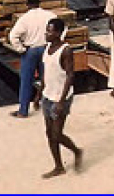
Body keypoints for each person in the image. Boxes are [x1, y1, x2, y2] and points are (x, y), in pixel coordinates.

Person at [38, 18, 83, 178]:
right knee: (49, 133)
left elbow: (70, 75)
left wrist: (61, 101)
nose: (46, 33)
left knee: (57, 134)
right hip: (47, 96)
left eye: (49, 31)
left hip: (60, 97)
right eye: (46, 30)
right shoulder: (47, 48)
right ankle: (58, 166)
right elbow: (45, 74)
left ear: (58, 33)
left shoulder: (66, 50)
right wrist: (38, 95)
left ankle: (77, 151)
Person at [6, 0, 57, 118]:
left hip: (31, 51)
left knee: (26, 81)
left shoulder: (24, 19)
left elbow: (13, 36)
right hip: (46, 49)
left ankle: (23, 111)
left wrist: (21, 49)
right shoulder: (50, 15)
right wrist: (54, 44)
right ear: (39, 2)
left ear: (27, 4)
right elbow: (62, 29)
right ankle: (50, 107)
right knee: (48, 79)